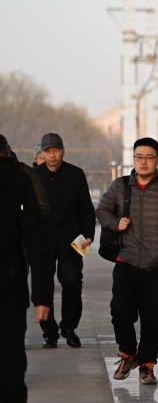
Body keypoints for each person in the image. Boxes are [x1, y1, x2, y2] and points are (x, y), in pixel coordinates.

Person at [95, 137, 158, 385]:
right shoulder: (120, 186)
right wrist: (116, 224)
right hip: (126, 261)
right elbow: (102, 210)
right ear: (133, 158)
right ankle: (128, 353)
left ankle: (147, 364)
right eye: (139, 157)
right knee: (120, 311)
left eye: (149, 157)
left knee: (153, 317)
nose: (144, 161)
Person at [0, 137, 52, 403]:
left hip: (9, 287)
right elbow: (36, 240)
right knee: (10, 371)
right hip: (9, 288)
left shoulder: (20, 180)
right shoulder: (20, 180)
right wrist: (41, 296)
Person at [34, 132, 95, 349]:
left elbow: (86, 208)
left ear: (63, 150)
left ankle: (69, 328)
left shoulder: (76, 174)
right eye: (48, 151)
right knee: (42, 286)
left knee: (71, 282)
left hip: (72, 239)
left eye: (56, 150)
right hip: (41, 240)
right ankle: (49, 331)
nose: (52, 155)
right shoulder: (33, 176)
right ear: (42, 152)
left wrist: (89, 235)